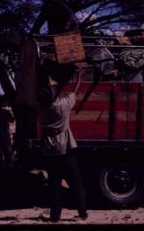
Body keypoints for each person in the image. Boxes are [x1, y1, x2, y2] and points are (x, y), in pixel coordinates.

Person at [37, 68, 88, 222]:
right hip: (66, 150)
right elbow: (75, 91)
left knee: (54, 185)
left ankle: (55, 216)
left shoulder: (41, 110)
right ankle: (82, 213)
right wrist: (79, 76)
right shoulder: (63, 105)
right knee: (76, 183)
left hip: (50, 151)